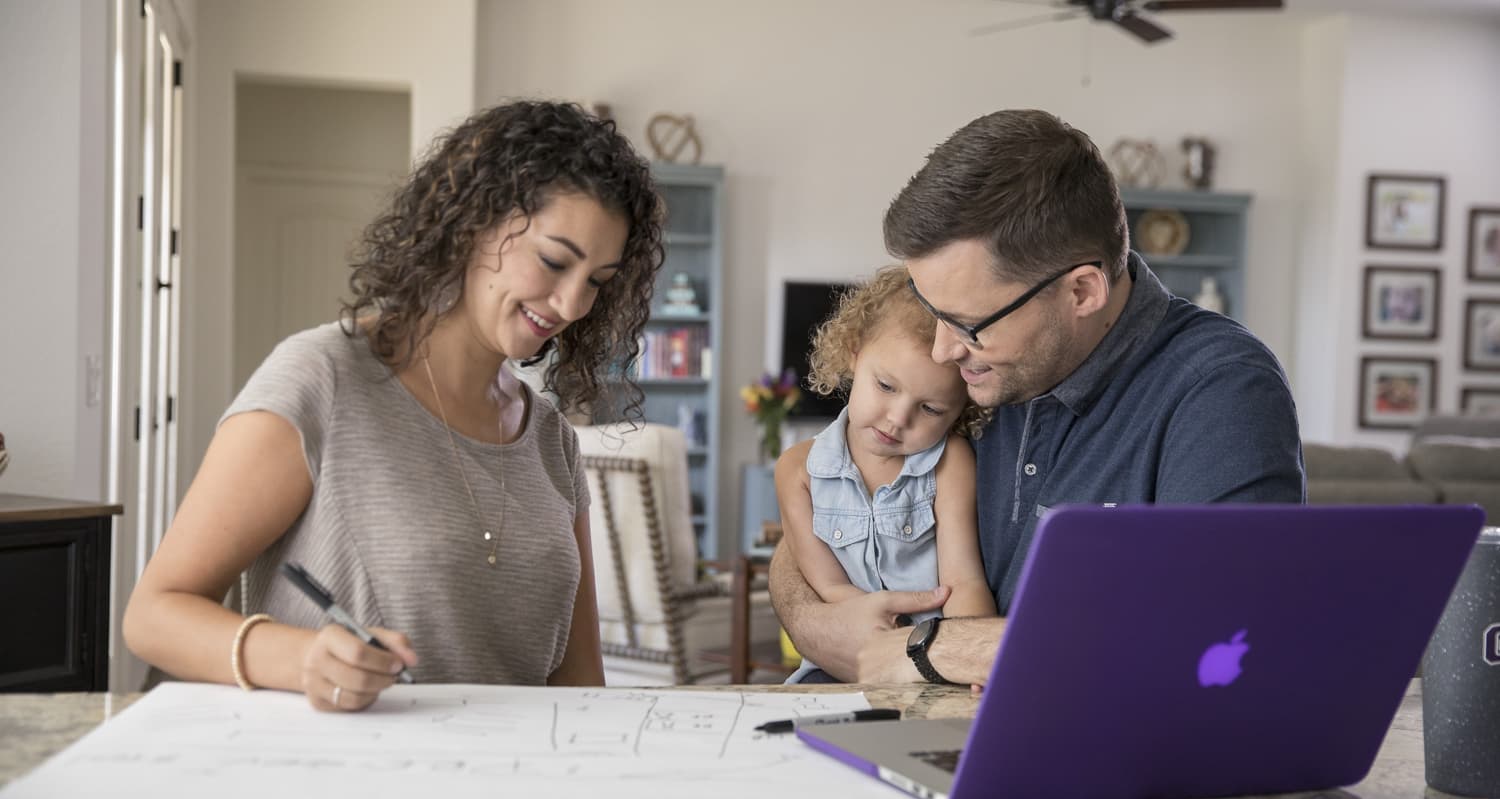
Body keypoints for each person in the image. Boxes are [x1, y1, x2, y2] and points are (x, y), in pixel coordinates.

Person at [123, 100, 665, 710]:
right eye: (553, 261)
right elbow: (153, 616)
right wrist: (303, 658)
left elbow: (578, 685)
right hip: (344, 787)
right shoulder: (322, 379)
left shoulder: (551, 442)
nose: (571, 305)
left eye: (597, 281)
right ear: (474, 222)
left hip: (511, 792)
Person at [771, 109, 1304, 687]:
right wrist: (814, 622)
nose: (944, 352)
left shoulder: (1220, 389)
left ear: (1081, 291)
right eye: (932, 314)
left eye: (969, 324)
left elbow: (1230, 641)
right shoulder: (979, 376)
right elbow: (826, 523)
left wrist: (930, 647)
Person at [775, 266, 995, 683]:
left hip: (933, 659)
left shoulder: (952, 462)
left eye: (930, 409)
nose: (897, 419)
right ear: (854, 352)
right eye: (886, 386)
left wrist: (973, 662)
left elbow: (963, 580)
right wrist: (880, 643)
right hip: (840, 660)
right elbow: (829, 587)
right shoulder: (797, 470)